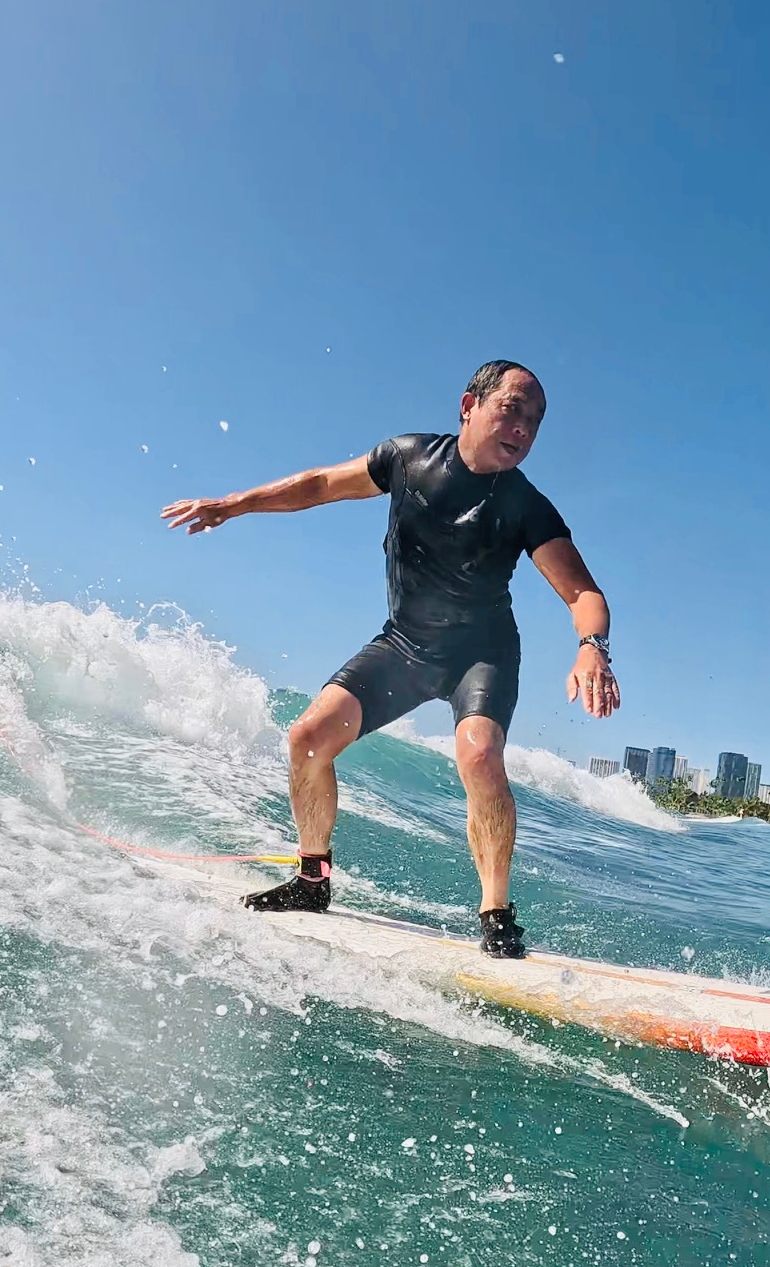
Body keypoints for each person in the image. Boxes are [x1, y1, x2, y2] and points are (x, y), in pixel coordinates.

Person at [159, 361, 619, 957]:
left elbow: (583, 593)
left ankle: (497, 915)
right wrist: (234, 504)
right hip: (405, 646)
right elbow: (320, 485)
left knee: (480, 755)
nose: (523, 429)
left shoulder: (527, 506)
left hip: (482, 654)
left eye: (535, 421)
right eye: (512, 410)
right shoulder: (408, 459)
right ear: (469, 406)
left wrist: (592, 648)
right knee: (308, 738)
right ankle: (312, 880)